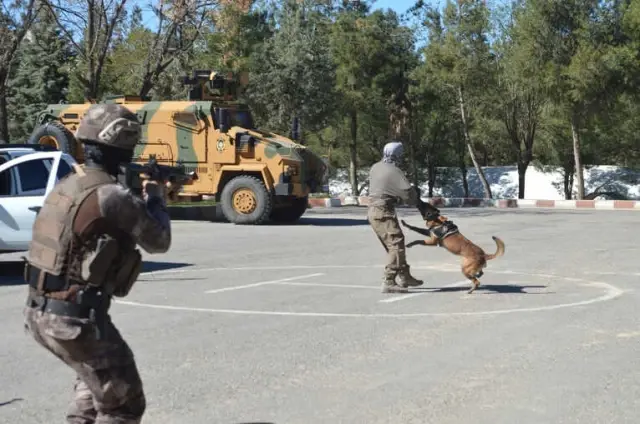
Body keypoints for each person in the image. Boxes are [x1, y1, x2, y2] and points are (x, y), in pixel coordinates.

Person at [22, 103, 179, 424]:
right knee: (123, 404)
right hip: (73, 321)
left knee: (92, 388)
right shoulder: (111, 196)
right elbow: (158, 241)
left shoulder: (68, 186)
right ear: (124, 144)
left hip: (40, 313)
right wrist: (156, 198)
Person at [366, 140, 436, 293]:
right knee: (396, 245)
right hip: (383, 211)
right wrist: (415, 194)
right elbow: (409, 197)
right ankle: (389, 280)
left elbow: (385, 187)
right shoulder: (394, 170)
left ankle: (404, 276)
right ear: (398, 156)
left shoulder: (375, 167)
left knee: (394, 244)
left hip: (373, 211)